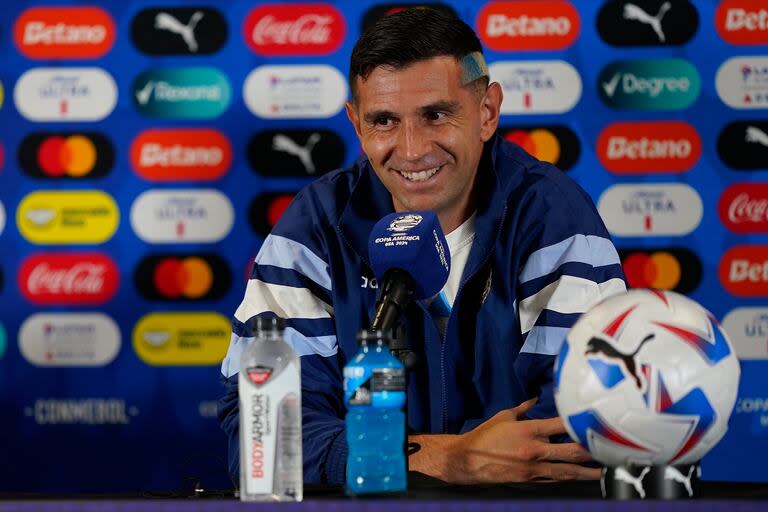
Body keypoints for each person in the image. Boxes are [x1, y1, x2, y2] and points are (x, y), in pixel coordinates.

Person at [218, 8, 626, 486]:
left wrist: (378, 457)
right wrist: (446, 459)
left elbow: (583, 427)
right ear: (356, 124)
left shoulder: (551, 216)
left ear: (487, 113)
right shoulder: (314, 229)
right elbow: (263, 439)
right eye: (384, 121)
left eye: (436, 115)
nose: (411, 150)